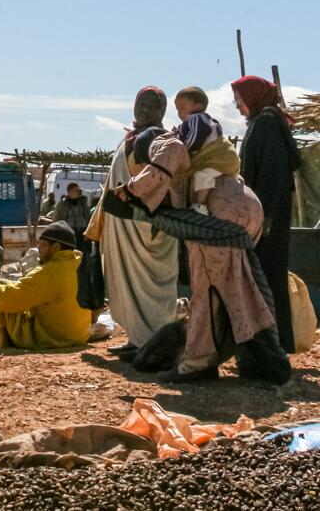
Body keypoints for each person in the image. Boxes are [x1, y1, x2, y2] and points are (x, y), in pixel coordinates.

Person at [106, 129, 290, 384]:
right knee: (241, 291)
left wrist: (130, 193)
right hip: (246, 210)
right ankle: (261, 363)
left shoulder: (165, 148)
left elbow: (158, 180)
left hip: (218, 217)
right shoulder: (194, 152)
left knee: (208, 294)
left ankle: (197, 365)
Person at [101, 87, 181, 358]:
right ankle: (137, 338)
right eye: (141, 104)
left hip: (147, 228)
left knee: (153, 286)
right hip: (125, 226)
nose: (145, 110)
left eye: (152, 106)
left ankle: (155, 343)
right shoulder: (130, 138)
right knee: (127, 284)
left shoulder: (159, 139)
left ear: (162, 111)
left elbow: (162, 181)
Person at [0, 221, 91, 366]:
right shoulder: (80, 265)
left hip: (52, 338)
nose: (38, 249)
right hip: (79, 335)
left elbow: (13, 298)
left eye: (43, 245)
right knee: (3, 289)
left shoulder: (49, 272)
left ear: (56, 247)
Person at [232, 75, 301, 354]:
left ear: (253, 98)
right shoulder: (266, 121)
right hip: (266, 216)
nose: (238, 107)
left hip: (267, 218)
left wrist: (265, 218)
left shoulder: (267, 123)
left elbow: (273, 175)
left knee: (267, 278)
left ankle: (272, 344)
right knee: (268, 277)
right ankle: (273, 342)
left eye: (240, 101)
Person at [174, 87, 240, 214]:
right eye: (177, 109)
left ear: (198, 106)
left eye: (182, 108)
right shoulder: (207, 120)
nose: (179, 113)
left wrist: (182, 150)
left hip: (214, 159)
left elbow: (194, 138)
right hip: (214, 157)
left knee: (203, 175)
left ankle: (199, 205)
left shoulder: (196, 119)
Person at [51, 183, 91, 250]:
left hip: (82, 232)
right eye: (76, 191)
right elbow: (56, 220)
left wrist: (88, 232)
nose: (78, 192)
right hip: (68, 232)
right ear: (69, 192)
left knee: (82, 253)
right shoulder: (61, 205)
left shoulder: (83, 203)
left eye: (78, 190)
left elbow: (88, 217)